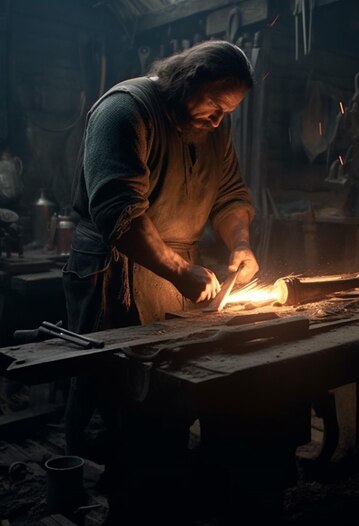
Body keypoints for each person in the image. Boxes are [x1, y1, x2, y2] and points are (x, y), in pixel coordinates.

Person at [62, 40, 260, 524]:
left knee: (168, 388)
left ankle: (164, 482)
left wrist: (240, 244)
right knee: (119, 393)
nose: (218, 120)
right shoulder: (124, 111)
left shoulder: (213, 125)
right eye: (215, 105)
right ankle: (126, 494)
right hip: (115, 267)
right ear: (187, 81)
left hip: (175, 269)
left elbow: (230, 193)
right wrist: (181, 271)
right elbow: (120, 214)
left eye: (227, 111)